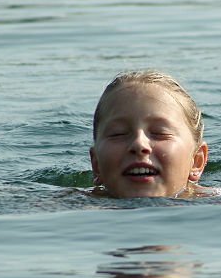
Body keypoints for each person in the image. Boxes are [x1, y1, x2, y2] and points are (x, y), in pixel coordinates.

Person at [89, 70, 213, 198]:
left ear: (197, 161)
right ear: (96, 164)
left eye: (160, 132)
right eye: (118, 133)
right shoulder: (74, 205)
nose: (139, 144)